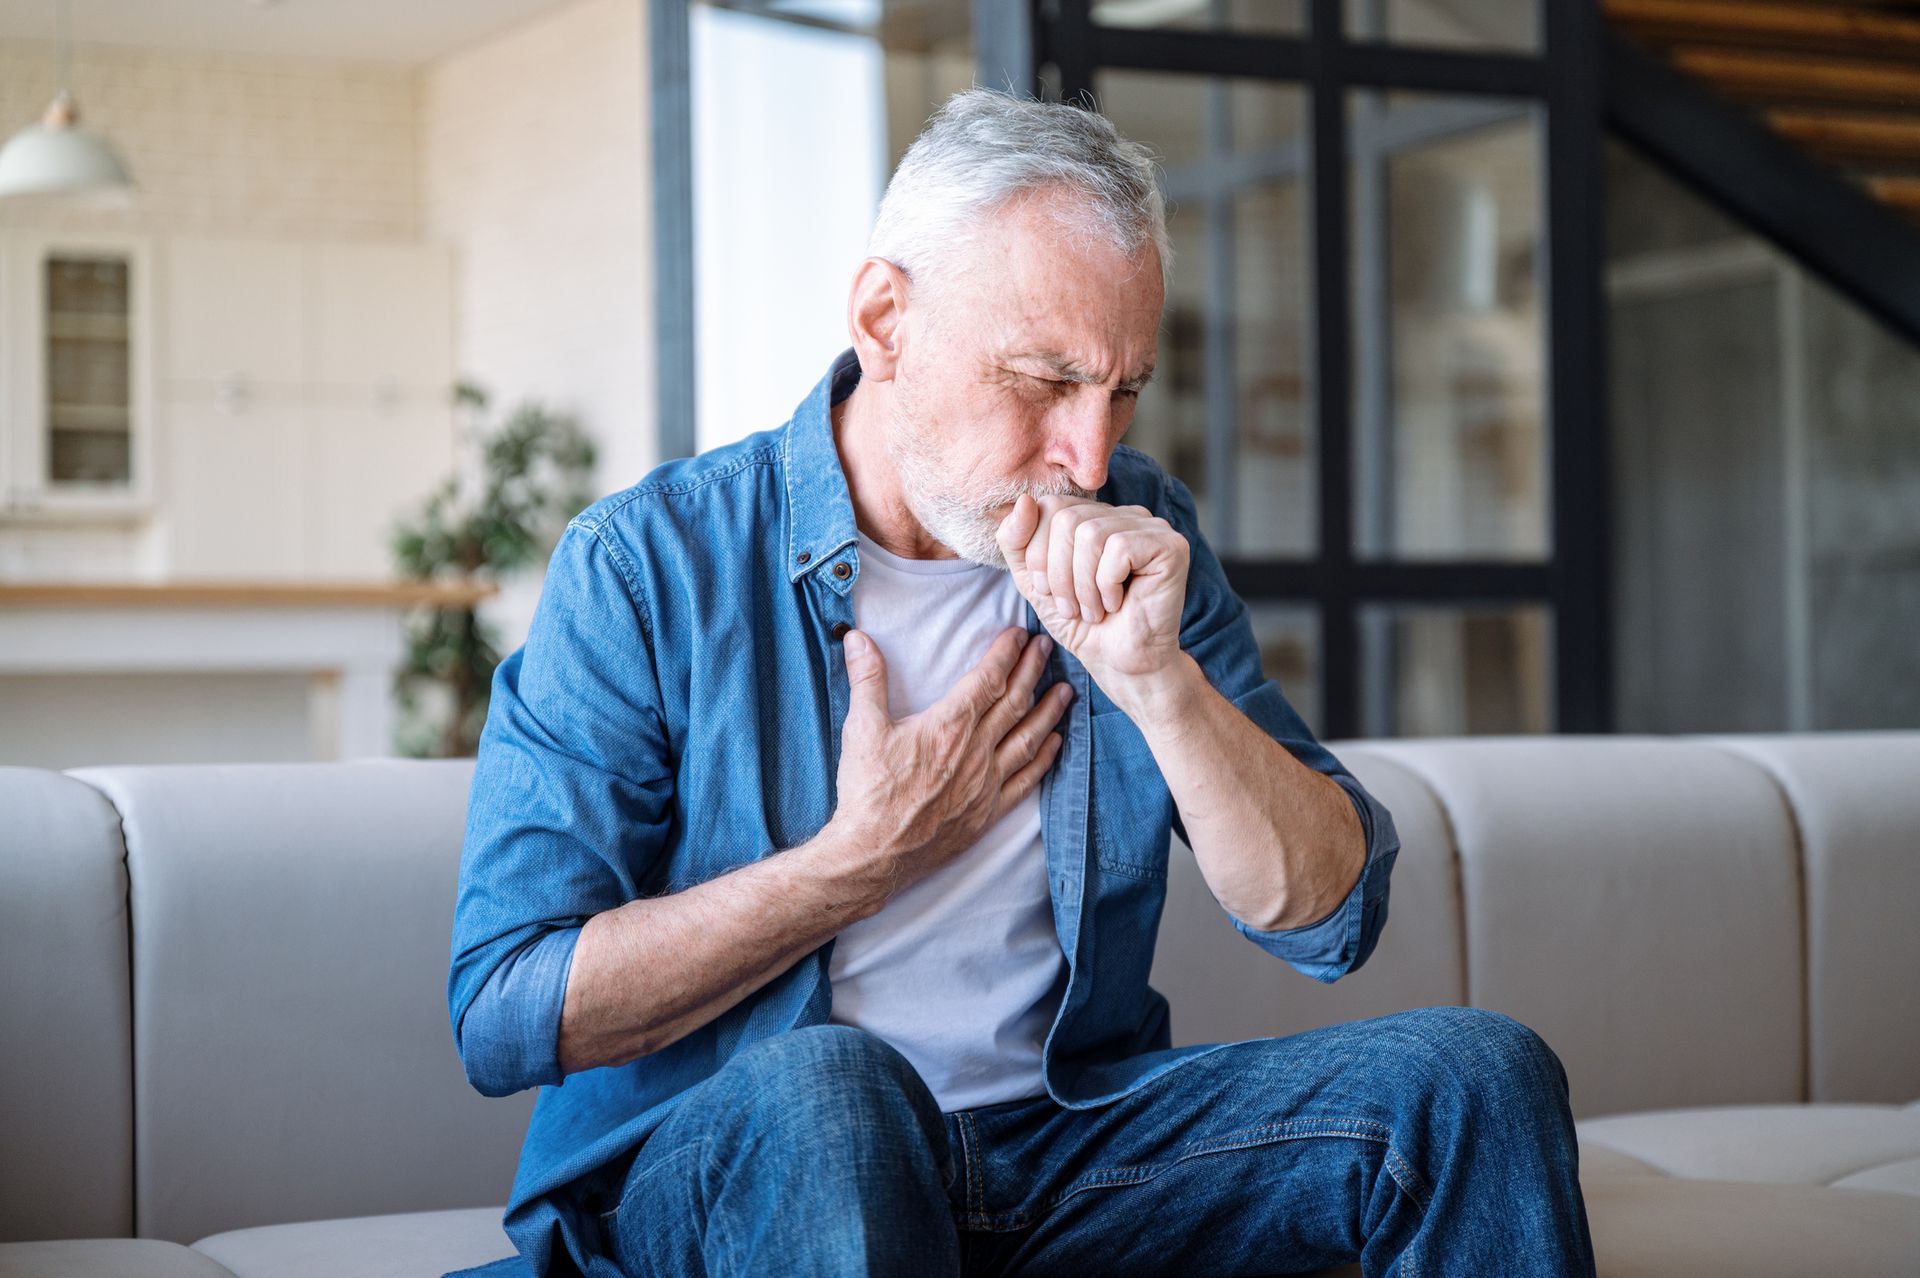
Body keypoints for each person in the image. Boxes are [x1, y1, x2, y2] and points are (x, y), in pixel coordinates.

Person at [445, 88, 1595, 1278]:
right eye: (1046, 381)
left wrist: (1160, 685)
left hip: (1060, 1151)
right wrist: (859, 861)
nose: (1088, 456)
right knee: (835, 1092)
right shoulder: (651, 565)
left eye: (1124, 389)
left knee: (1474, 1081)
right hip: (744, 1167)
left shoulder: (1138, 527)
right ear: (887, 320)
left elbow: (1330, 918)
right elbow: (509, 1008)